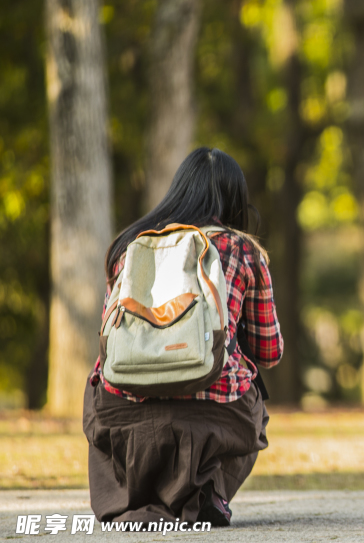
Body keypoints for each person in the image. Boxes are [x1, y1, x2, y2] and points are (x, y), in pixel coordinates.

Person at [83, 147, 283, 527]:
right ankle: (209, 491)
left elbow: (109, 343)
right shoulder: (242, 249)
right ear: (234, 199)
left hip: (122, 409)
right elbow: (269, 352)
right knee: (253, 388)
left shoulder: (130, 246)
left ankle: (129, 498)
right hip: (216, 411)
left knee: (99, 384)